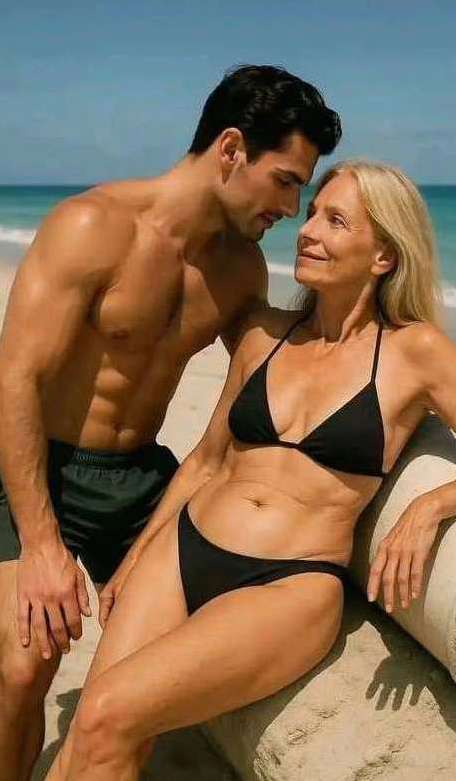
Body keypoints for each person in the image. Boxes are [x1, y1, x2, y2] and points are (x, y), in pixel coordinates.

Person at [46, 159, 456, 779]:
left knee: (107, 713)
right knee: (95, 729)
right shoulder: (263, 335)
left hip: (290, 583)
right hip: (183, 550)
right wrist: (137, 556)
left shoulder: (416, 352)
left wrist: (431, 507)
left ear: (383, 255)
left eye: (336, 221)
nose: (308, 230)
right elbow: (206, 460)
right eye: (313, 213)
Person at [0, 64, 341, 781]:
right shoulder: (92, 227)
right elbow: (15, 379)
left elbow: (273, 367)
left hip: (138, 477)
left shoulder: (240, 270)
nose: (292, 207)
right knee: (24, 663)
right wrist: (41, 544)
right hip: (37, 466)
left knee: (146, 672)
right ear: (231, 149)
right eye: (285, 181)